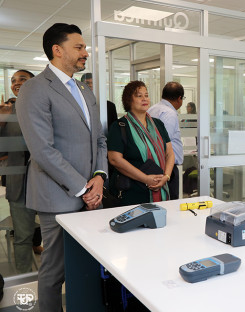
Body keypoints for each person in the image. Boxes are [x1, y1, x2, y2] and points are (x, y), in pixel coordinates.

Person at [16, 23, 108, 311]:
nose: (85, 53)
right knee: (54, 273)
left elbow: (100, 140)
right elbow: (42, 150)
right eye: (79, 47)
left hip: (92, 193)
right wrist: (83, 188)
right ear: (57, 50)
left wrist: (99, 178)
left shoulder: (84, 89)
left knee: (88, 267)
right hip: (57, 197)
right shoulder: (34, 89)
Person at [0, 70, 43, 274]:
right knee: (22, 236)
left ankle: (54, 279)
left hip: (47, 183)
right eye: (13, 81)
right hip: (19, 183)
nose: (16, 83)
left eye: (22, 79)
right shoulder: (8, 111)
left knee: (55, 235)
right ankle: (24, 279)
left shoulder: (45, 106)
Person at [108, 81, 174, 206]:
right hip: (132, 193)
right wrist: (146, 179)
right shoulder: (119, 126)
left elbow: (169, 153)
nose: (145, 99)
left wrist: (166, 177)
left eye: (146, 95)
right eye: (139, 96)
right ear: (129, 100)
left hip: (161, 188)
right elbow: (115, 160)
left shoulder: (158, 124)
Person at [147, 81, 184, 200]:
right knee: (170, 202)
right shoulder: (169, 113)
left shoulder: (152, 109)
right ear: (179, 98)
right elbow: (162, 143)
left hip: (154, 164)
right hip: (167, 167)